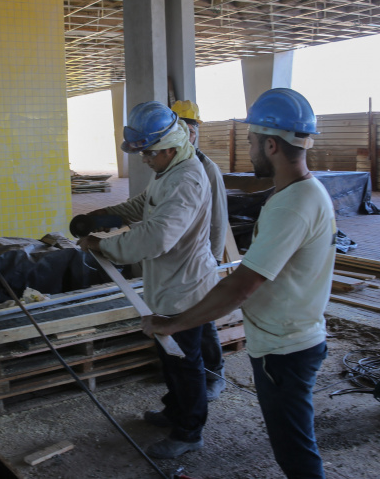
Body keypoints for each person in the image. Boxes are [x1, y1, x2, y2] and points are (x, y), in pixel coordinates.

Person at [143, 88, 336, 478]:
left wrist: (173, 323)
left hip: (286, 349)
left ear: (271, 145)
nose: (248, 150)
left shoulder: (292, 207)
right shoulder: (305, 193)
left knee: (295, 449)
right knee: (291, 442)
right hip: (290, 339)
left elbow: (242, 286)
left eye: (250, 142)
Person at [77, 100, 217, 459]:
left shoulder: (187, 178)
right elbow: (145, 205)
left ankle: (189, 432)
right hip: (168, 283)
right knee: (170, 357)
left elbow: (156, 237)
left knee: (185, 364)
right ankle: (175, 411)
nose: (144, 160)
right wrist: (105, 214)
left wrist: (102, 245)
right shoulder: (170, 170)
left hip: (185, 289)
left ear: (169, 147)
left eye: (149, 153)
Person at [171, 100, 228, 401]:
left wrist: (214, 260)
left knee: (203, 319)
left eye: (189, 128)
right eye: (179, 128)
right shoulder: (172, 166)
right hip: (179, 258)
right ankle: (189, 376)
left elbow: (219, 218)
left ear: (194, 132)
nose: (185, 134)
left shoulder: (207, 168)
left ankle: (215, 373)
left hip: (201, 258)